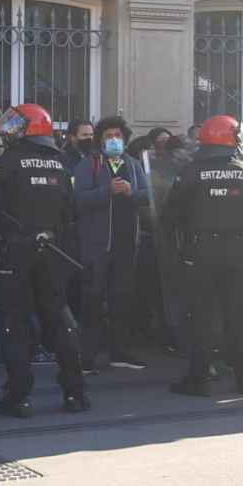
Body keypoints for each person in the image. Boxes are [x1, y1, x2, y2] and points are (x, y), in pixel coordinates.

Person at [0, 104, 87, 416]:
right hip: (52, 250)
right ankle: (75, 393)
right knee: (60, 319)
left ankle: (18, 397)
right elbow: (70, 213)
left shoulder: (8, 162)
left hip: (16, 251)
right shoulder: (60, 163)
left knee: (16, 324)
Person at [165, 116, 243, 396]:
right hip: (239, 250)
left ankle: (199, 379)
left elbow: (171, 214)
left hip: (201, 250)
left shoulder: (191, 171)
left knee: (202, 316)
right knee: (238, 315)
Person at [72, 115, 150, 373]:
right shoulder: (89, 164)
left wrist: (131, 192)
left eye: (117, 136)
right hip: (97, 246)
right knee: (93, 301)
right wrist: (108, 191)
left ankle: (120, 351)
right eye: (108, 136)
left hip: (126, 243)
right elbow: (78, 200)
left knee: (123, 299)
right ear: (100, 140)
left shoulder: (133, 163)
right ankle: (87, 356)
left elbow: (147, 196)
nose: (114, 140)